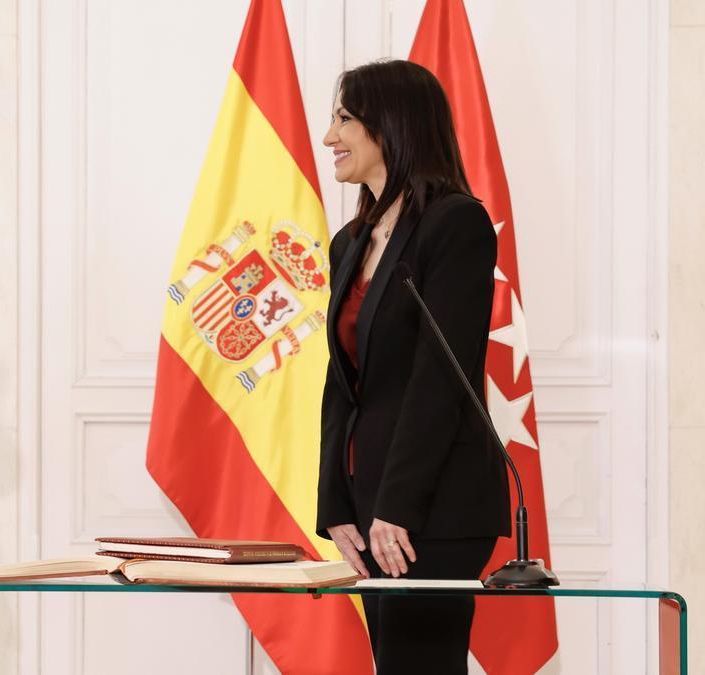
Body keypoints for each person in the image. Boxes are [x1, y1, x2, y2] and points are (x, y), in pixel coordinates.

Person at [314, 59, 510, 673]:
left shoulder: (455, 224)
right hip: (369, 501)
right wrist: (335, 506)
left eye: (344, 119)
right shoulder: (350, 241)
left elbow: (439, 379)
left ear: (391, 125)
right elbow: (342, 383)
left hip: (433, 504)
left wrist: (395, 506)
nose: (329, 137)